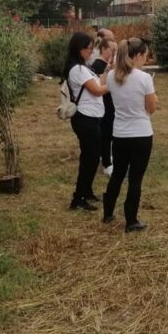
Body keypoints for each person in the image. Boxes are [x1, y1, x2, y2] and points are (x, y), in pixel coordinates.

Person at [103, 38, 157, 232]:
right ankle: (131, 220)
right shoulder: (144, 78)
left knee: (117, 174)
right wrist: (154, 99)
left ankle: (107, 213)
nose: (146, 59)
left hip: (120, 134)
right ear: (137, 56)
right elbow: (151, 109)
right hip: (141, 134)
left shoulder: (111, 77)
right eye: (145, 55)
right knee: (135, 179)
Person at [63, 32, 109, 211]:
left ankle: (86, 191)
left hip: (91, 117)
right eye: (89, 49)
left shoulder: (84, 67)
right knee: (89, 158)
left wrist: (108, 72)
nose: (91, 52)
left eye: (92, 48)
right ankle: (78, 198)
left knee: (91, 157)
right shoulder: (78, 69)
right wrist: (115, 84)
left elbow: (98, 82)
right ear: (79, 49)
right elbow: (97, 90)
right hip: (85, 118)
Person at [91, 38, 117, 176]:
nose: (114, 53)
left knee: (111, 132)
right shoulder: (97, 65)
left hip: (112, 103)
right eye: (112, 50)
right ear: (103, 49)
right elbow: (99, 85)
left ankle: (106, 155)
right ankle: (107, 163)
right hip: (103, 104)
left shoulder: (110, 64)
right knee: (106, 132)